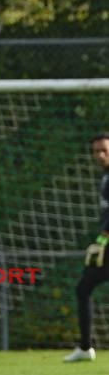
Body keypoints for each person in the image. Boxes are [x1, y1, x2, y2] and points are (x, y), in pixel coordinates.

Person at [64, 132, 109, 362]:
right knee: (83, 288)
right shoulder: (105, 176)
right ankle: (84, 347)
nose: (100, 155)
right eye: (96, 151)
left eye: (105, 150)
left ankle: (84, 347)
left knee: (83, 288)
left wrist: (103, 238)